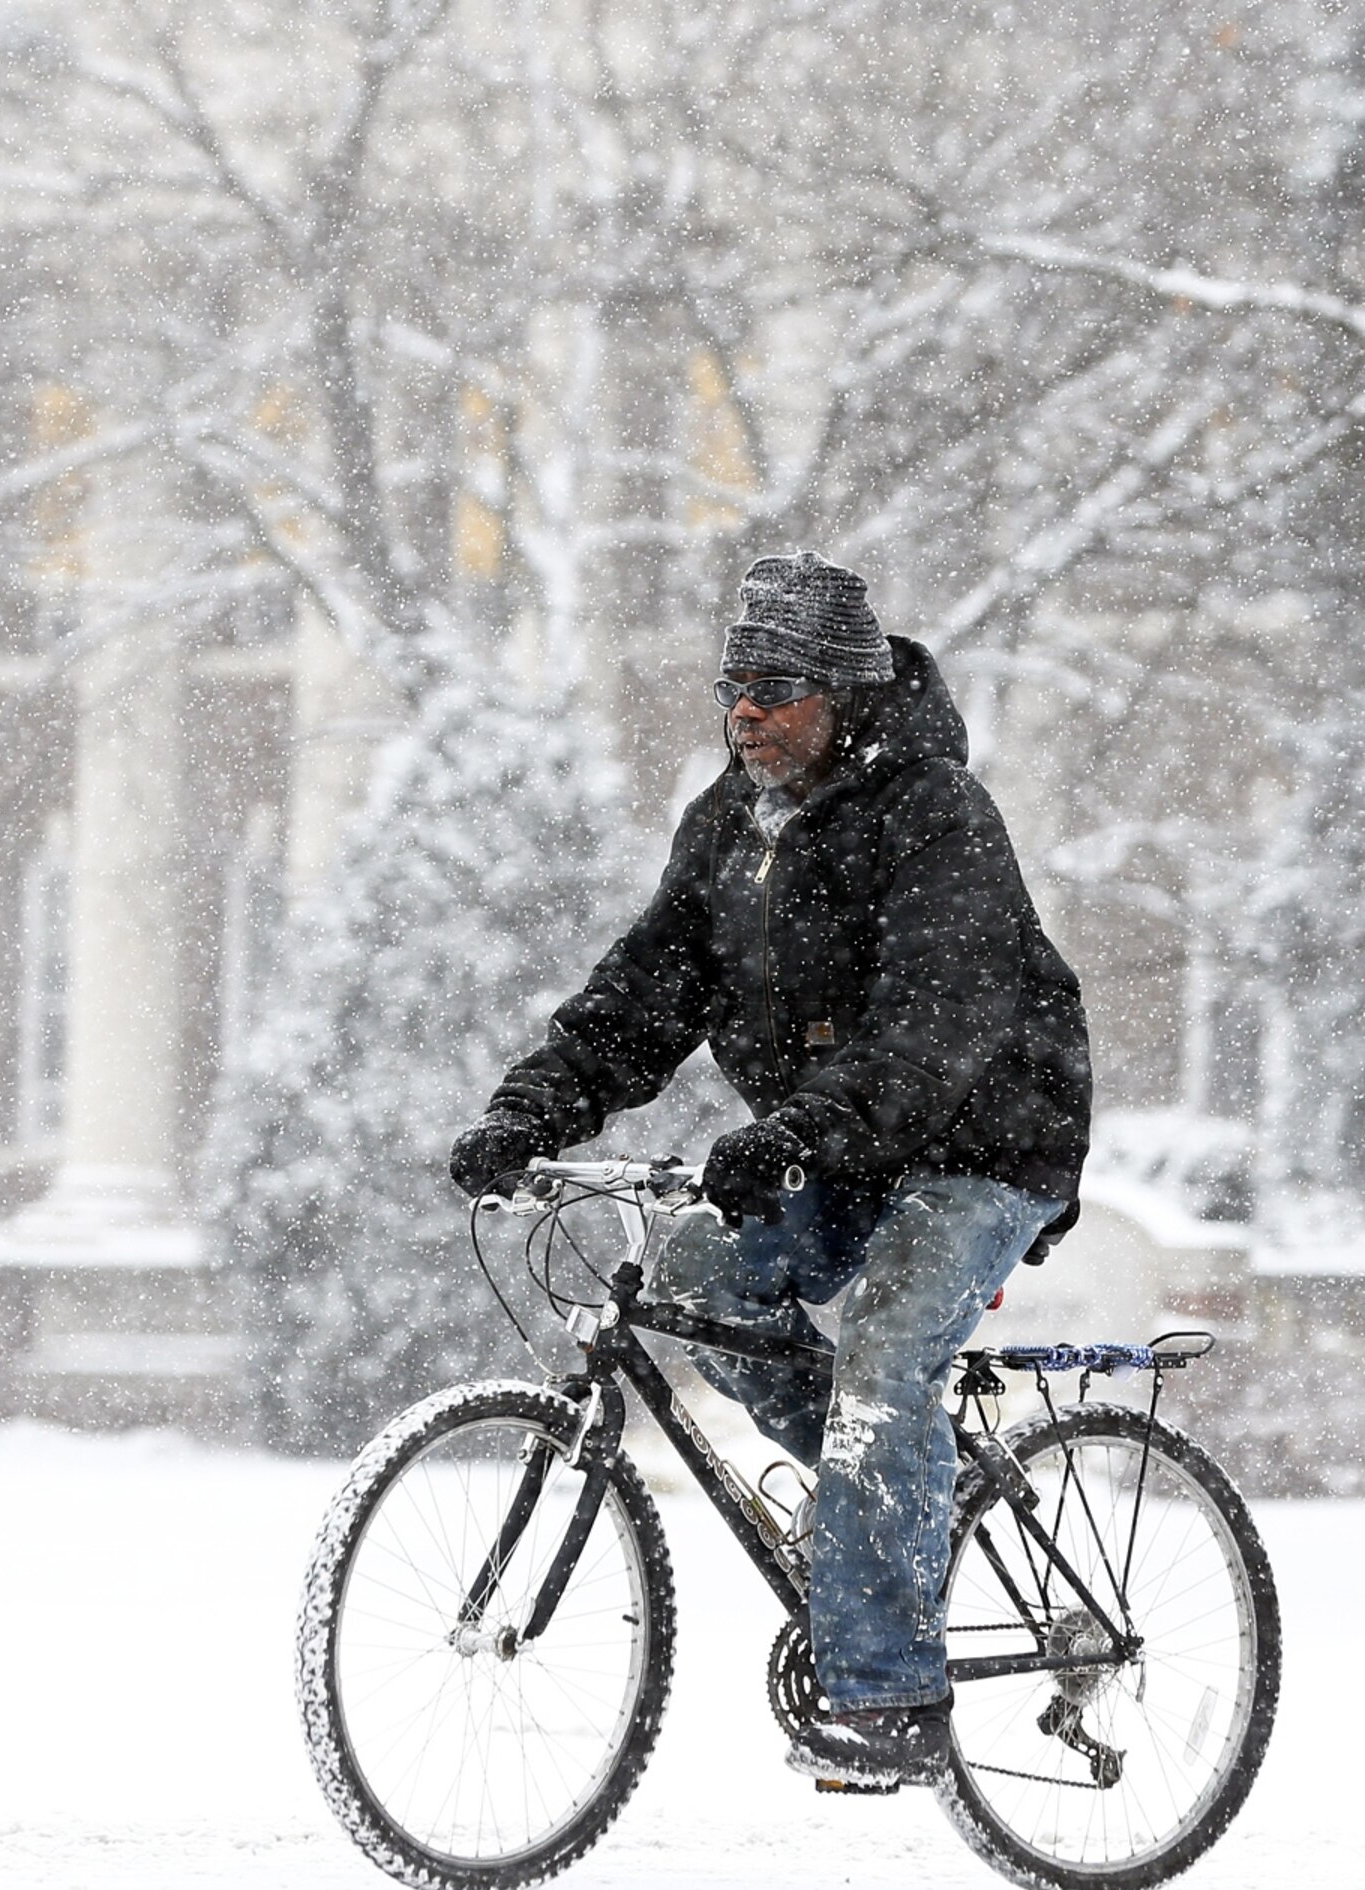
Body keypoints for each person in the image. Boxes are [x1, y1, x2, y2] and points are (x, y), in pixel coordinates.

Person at [448, 551, 1092, 1788]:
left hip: (983, 1144)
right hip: (841, 1140)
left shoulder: (935, 814)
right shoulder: (728, 826)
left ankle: (889, 1691)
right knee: (701, 1280)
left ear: (842, 696)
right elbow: (641, 998)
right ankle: (883, 1514)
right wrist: (531, 1113)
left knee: (883, 1366)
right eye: (731, 683)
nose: (743, 709)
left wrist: (798, 1129)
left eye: (775, 685)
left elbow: (935, 1029)